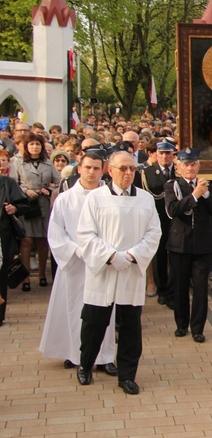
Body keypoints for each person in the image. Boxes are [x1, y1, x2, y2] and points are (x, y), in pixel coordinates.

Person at [76, 151, 161, 394]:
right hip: (103, 270)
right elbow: (85, 234)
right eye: (123, 168)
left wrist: (132, 255)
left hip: (131, 271)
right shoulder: (95, 199)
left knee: (130, 326)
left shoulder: (145, 199)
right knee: (94, 321)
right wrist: (111, 256)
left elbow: (154, 233)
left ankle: (127, 375)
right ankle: (85, 364)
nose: (128, 173)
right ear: (109, 170)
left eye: (132, 169)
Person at [39, 153, 118, 375]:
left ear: (103, 170)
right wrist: (77, 250)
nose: (91, 172)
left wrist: (107, 253)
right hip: (75, 263)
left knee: (106, 311)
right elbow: (56, 233)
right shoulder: (66, 199)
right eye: (87, 167)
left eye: (96, 168)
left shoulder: (111, 198)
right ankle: (76, 354)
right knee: (75, 309)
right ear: (79, 169)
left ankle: (105, 357)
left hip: (103, 262)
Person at [165, 148, 212, 343]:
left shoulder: (206, 185)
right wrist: (195, 195)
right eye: (186, 165)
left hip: (202, 245)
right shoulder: (173, 186)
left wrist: (205, 195)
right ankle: (182, 324)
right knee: (180, 286)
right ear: (178, 167)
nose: (190, 168)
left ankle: (198, 327)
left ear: (198, 166)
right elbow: (173, 210)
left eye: (193, 164)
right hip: (180, 244)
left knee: (200, 288)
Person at [10, 132, 60, 291]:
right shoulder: (17, 162)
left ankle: (42, 275)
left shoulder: (48, 162)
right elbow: (13, 183)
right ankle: (25, 278)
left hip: (43, 204)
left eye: (37, 144)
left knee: (43, 240)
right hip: (26, 205)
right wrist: (25, 191)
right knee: (27, 241)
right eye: (31, 144)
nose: (35, 147)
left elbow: (58, 181)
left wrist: (49, 189)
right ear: (25, 146)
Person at [139, 140, 176, 306]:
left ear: (173, 155)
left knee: (176, 257)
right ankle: (162, 289)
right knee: (159, 256)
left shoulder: (180, 171)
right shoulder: (147, 172)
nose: (164, 157)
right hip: (158, 218)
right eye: (161, 153)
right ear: (155, 155)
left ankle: (174, 289)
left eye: (168, 153)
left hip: (177, 220)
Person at [0, 173, 29, 326]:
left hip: (2, 236)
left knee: (0, 276)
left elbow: (24, 204)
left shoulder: (7, 183)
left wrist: (14, 208)